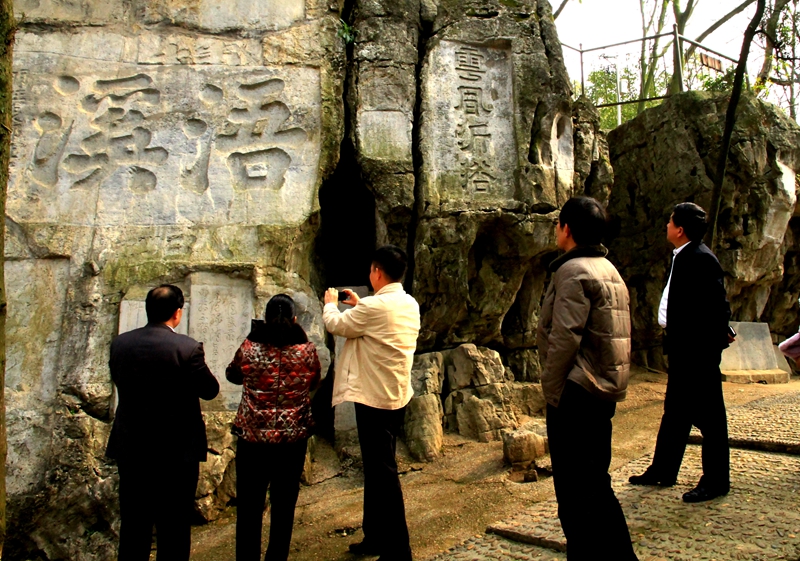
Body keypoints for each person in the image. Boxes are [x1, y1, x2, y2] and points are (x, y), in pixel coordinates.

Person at [537, 196, 638, 561]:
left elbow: (564, 337)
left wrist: (551, 390)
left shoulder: (572, 270)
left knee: (575, 493)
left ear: (567, 229)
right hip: (603, 392)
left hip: (577, 393)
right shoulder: (609, 270)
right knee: (596, 484)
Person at [106, 284, 220, 561]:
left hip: (132, 446)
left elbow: (119, 379)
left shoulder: (121, 344)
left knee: (134, 524)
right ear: (177, 313)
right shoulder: (187, 348)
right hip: (176, 451)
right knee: (175, 526)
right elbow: (209, 389)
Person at [629, 202, 733, 503]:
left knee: (711, 420)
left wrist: (710, 350)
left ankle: (716, 481)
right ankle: (663, 470)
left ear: (680, 229)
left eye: (670, 221)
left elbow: (717, 308)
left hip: (697, 356)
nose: (666, 226)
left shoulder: (702, 259)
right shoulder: (684, 256)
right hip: (683, 351)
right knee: (675, 413)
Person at [322, 245, 420, 561]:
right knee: (379, 469)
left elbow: (337, 325)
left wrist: (329, 305)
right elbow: (378, 316)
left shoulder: (375, 308)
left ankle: (398, 550)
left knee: (383, 474)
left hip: (373, 399)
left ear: (377, 272)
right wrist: (360, 302)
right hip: (394, 395)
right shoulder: (408, 302)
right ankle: (375, 536)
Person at [226, 294, 321, 561]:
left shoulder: (250, 347)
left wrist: (253, 338)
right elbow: (314, 382)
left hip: (253, 439)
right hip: (292, 440)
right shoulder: (307, 351)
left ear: (265, 320)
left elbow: (233, 374)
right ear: (294, 320)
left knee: (249, 508)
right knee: (284, 507)